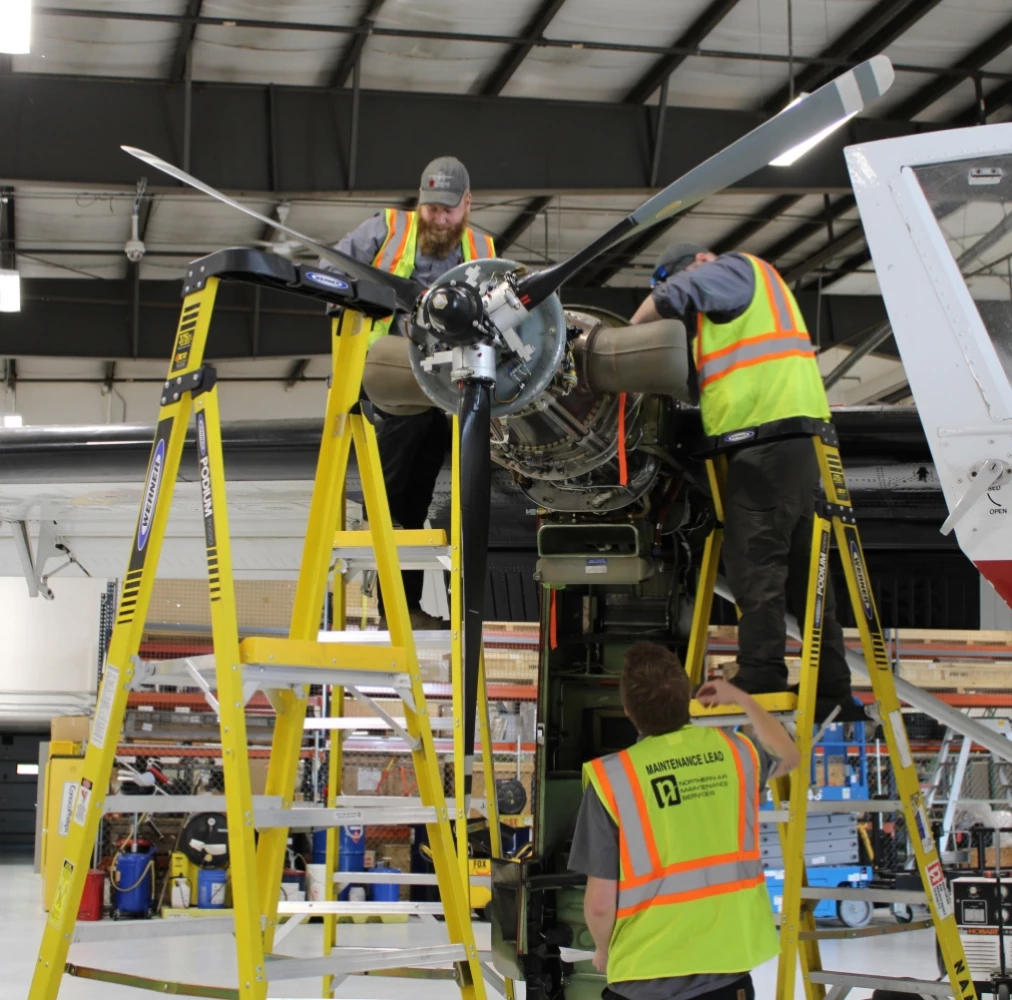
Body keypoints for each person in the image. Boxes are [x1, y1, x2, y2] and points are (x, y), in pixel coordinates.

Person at [631, 242, 857, 714]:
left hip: (768, 443)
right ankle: (832, 685)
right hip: (796, 443)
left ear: (699, 261)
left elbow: (678, 292)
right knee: (803, 572)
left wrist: (628, 333)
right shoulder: (745, 303)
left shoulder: (732, 272)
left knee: (755, 558)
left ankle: (761, 669)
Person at [570, 641, 799, 999]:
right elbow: (788, 754)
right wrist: (742, 698)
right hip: (727, 973)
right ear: (686, 698)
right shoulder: (737, 754)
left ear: (628, 710)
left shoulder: (612, 779)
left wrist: (603, 949)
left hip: (644, 979)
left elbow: (600, 905)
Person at [331, 156, 496, 630]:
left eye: (447, 210)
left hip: (451, 394)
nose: (437, 219)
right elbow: (332, 271)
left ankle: (413, 610)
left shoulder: (482, 246)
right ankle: (397, 612)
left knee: (426, 501)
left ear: (467, 204)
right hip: (392, 386)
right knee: (396, 500)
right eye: (430, 209)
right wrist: (371, 299)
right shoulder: (386, 229)